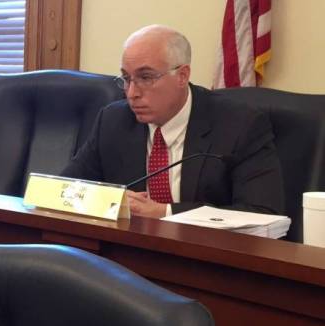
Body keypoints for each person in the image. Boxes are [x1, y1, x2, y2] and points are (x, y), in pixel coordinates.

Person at [61, 24, 284, 218]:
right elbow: (61, 190)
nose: (131, 93)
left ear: (182, 75)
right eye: (127, 79)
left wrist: (164, 213)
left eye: (146, 77)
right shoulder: (113, 120)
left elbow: (262, 213)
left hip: (205, 259)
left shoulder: (240, 125)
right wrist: (109, 201)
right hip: (126, 254)